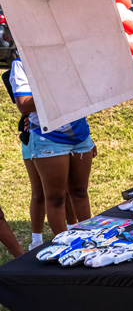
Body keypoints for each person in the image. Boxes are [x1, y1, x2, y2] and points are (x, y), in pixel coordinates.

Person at [10, 56, 95, 236]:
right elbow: (24, 106)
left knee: (80, 192)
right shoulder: (21, 63)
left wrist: (89, 137)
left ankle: (89, 239)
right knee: (56, 198)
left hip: (80, 136)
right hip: (48, 138)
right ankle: (63, 244)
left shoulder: (68, 57)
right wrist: (55, 87)